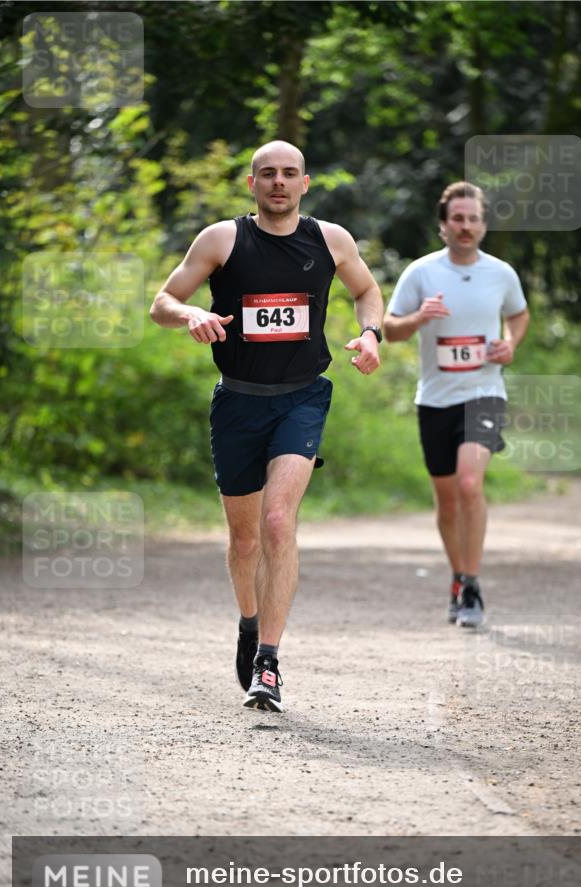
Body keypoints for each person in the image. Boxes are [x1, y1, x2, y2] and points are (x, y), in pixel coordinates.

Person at [150, 140, 383, 711]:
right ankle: (249, 623)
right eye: (267, 174)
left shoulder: (331, 240)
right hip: (238, 403)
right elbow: (161, 302)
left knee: (279, 522)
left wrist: (371, 333)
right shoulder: (221, 240)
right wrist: (192, 313)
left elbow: (368, 291)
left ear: (305, 183)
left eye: (289, 174)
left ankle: (269, 663)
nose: (278, 182)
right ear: (252, 184)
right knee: (245, 539)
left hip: (302, 398)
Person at [383, 181, 529, 628]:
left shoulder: (501, 273)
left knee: (469, 483)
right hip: (435, 400)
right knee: (447, 502)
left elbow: (518, 314)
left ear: (484, 225)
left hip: (484, 394)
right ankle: (457, 574)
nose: (466, 226)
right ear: (444, 225)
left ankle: (472, 584)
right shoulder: (421, 273)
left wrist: (510, 343)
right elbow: (390, 329)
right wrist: (419, 317)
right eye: (458, 219)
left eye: (474, 219)